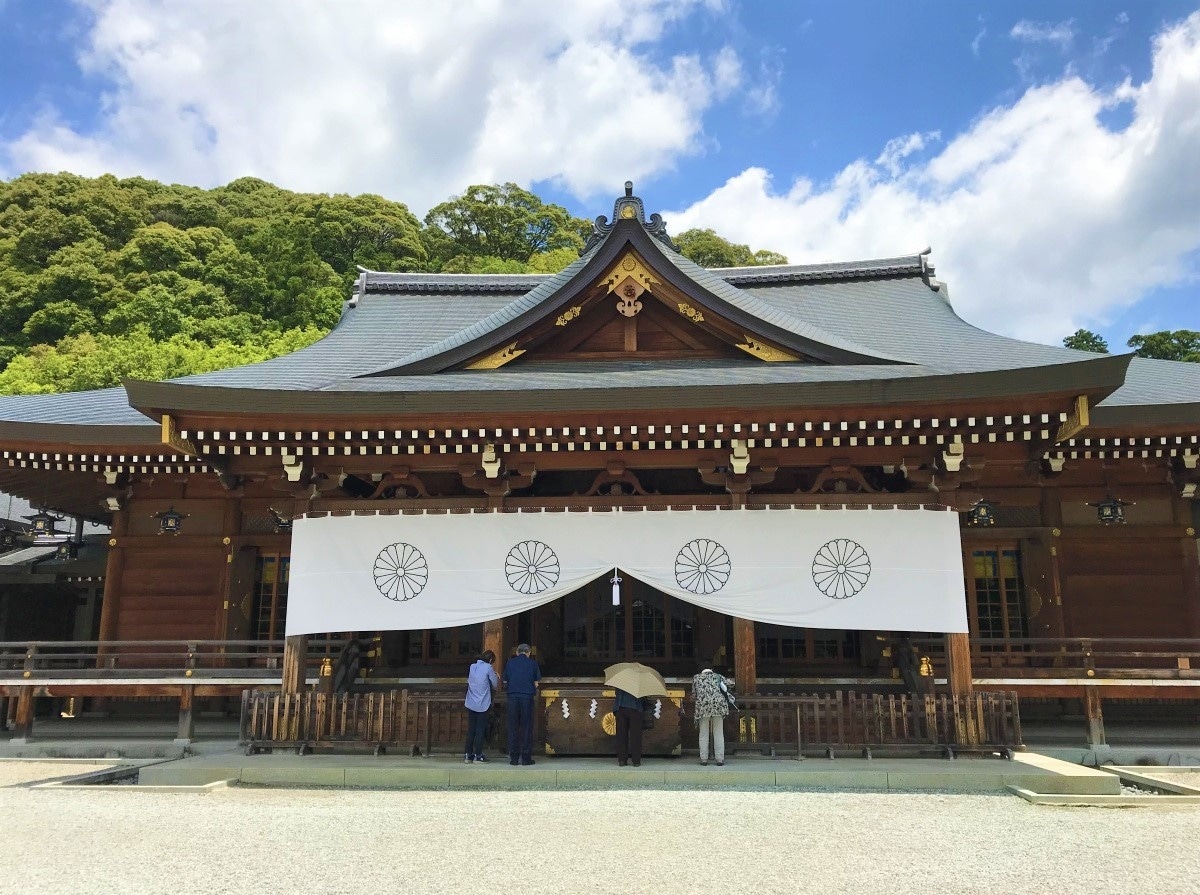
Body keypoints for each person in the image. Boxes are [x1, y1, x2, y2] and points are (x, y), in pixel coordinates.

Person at [502, 643, 541, 766]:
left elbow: (505, 680)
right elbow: (536, 683)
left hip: (513, 696)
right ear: (529, 652)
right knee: (526, 727)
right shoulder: (533, 663)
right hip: (527, 697)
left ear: (517, 653)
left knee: (513, 726)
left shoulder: (510, 663)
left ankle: (513, 758)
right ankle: (526, 758)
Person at [691, 665, 734, 766]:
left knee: (703, 733)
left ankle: (704, 759)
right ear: (711, 670)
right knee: (718, 732)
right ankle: (719, 758)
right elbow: (731, 684)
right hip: (718, 707)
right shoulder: (718, 676)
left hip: (703, 707)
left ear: (702, 671)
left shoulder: (696, 678)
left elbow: (694, 695)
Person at [463, 649, 498, 763]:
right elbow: (495, 684)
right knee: (480, 729)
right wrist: (496, 675)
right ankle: (478, 755)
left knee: (471, 729)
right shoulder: (488, 668)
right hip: (483, 703)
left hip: (471, 701)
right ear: (491, 660)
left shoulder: (472, 666)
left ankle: (468, 755)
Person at [612, 687, 646, 767]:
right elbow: (643, 697)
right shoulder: (639, 679)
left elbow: (617, 693)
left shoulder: (620, 678)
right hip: (635, 707)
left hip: (620, 707)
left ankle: (622, 760)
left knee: (621, 735)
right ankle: (636, 761)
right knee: (636, 736)